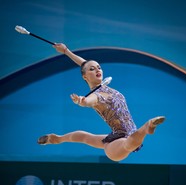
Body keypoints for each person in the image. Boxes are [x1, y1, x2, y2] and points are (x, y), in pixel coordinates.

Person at [37, 43, 165, 162]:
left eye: (99, 67)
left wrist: (66, 51)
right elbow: (88, 101)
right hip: (118, 146)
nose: (97, 70)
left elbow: (84, 64)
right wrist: (82, 101)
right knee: (129, 143)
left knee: (86, 138)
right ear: (85, 77)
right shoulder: (96, 95)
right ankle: (147, 127)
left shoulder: (104, 87)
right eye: (92, 69)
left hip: (118, 135)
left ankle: (57, 138)